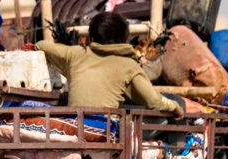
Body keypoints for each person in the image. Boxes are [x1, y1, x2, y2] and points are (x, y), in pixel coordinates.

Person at [34, 12, 184, 118]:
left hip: (74, 127)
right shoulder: (129, 66)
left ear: (91, 38)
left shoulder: (76, 54)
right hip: (103, 132)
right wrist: (175, 107)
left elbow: (41, 45)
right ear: (125, 38)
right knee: (176, 104)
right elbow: (154, 101)